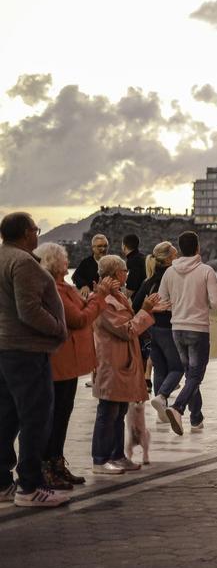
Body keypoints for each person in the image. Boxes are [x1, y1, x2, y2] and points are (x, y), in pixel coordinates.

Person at [0, 213, 69, 508]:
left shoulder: (3, 257)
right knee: (35, 417)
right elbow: (28, 310)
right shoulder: (24, 262)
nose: (37, 235)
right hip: (26, 351)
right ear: (27, 233)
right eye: (36, 229)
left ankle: (2, 483)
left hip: (6, 348)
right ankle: (30, 486)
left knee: (7, 415)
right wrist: (58, 328)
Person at [36, 242, 109, 489]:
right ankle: (48, 467)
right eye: (65, 259)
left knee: (63, 414)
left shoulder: (65, 287)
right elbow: (79, 318)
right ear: (55, 263)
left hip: (69, 360)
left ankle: (57, 463)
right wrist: (99, 298)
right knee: (55, 416)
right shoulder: (54, 289)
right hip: (60, 361)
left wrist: (92, 300)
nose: (68, 262)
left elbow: (82, 311)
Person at [90, 255, 159, 475]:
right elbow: (126, 330)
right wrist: (146, 311)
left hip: (122, 361)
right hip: (111, 362)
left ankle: (117, 455)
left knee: (118, 409)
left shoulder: (117, 296)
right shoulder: (103, 301)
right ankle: (100, 459)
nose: (127, 274)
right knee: (108, 410)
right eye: (124, 271)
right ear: (113, 275)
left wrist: (148, 310)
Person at [158, 231, 217, 434]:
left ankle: (196, 418)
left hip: (177, 328)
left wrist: (178, 306)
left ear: (179, 248)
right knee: (195, 376)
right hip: (198, 329)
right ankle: (178, 408)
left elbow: (162, 300)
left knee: (190, 374)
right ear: (197, 248)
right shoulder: (206, 271)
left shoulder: (169, 272)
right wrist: (201, 304)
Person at [138, 243, 185, 426]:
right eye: (175, 254)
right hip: (168, 327)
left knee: (160, 368)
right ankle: (162, 396)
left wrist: (149, 309)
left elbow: (135, 305)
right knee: (178, 367)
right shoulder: (172, 277)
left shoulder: (149, 280)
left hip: (152, 329)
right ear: (167, 259)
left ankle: (162, 415)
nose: (178, 256)